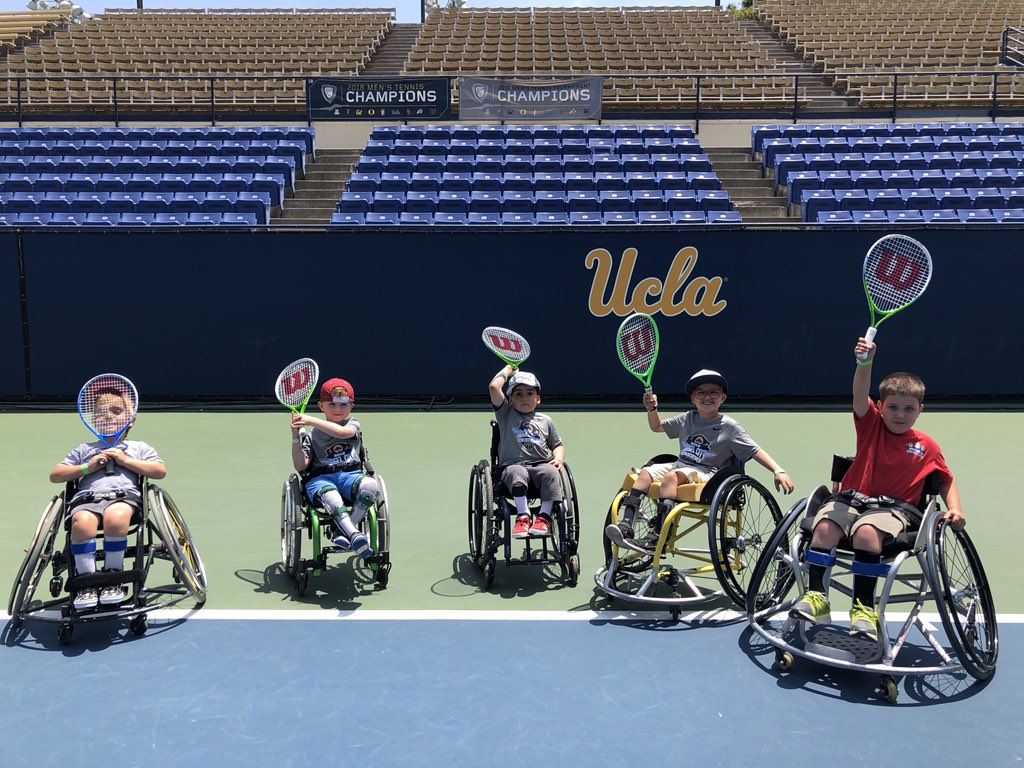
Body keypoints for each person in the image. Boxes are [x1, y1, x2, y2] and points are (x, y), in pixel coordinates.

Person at [790, 337, 964, 641]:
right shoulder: (870, 425)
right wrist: (865, 362)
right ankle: (816, 598)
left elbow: (946, 479)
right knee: (824, 527)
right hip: (851, 500)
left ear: (920, 410)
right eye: (893, 407)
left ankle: (863, 609)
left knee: (866, 534)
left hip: (894, 510)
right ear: (880, 407)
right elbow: (859, 392)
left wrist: (955, 508)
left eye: (908, 409)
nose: (900, 414)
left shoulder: (927, 446)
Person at [606, 368, 794, 554]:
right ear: (693, 399)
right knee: (645, 473)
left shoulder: (729, 427)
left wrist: (778, 471)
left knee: (671, 477)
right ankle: (626, 525)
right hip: (681, 465)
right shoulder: (687, 418)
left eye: (714, 392)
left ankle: (657, 538)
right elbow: (656, 426)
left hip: (708, 474)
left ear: (723, 398)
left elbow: (754, 450)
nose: (707, 397)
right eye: (701, 393)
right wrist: (651, 408)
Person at [49, 389, 166, 610]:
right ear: (93, 420)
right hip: (87, 501)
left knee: (116, 516)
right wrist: (87, 467)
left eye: (116, 410)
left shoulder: (139, 448)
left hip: (124, 499)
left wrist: (125, 460)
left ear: (131, 420)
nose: (109, 416)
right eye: (101, 412)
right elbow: (55, 475)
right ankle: (86, 583)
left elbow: (159, 471)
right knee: (81, 522)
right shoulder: (84, 449)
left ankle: (113, 577)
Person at [290, 377, 378, 560]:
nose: (338, 410)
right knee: (332, 496)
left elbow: (341, 433)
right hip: (321, 480)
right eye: (332, 404)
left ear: (351, 406)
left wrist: (310, 419)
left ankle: (342, 531)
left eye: (343, 405)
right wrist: (295, 437)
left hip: (350, 476)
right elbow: (301, 465)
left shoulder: (352, 424)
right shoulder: (312, 434)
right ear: (321, 406)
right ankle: (353, 534)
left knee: (370, 485)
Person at [488, 364, 566, 539]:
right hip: (513, 467)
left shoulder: (546, 420)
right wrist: (509, 369)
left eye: (530, 393)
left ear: (538, 399)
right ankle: (523, 517)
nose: (525, 398)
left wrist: (558, 459)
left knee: (551, 471)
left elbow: (558, 444)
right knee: (517, 472)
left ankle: (544, 517)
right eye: (518, 394)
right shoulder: (506, 415)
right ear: (510, 400)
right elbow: (494, 387)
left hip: (540, 467)